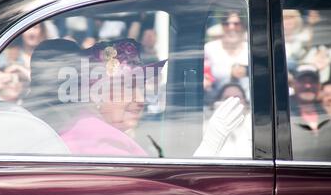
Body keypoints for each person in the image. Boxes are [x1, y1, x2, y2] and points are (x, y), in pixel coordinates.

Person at [27, 37, 246, 157]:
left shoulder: (93, 132)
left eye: (140, 86)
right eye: (128, 86)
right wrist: (210, 147)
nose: (141, 98)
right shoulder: (96, 141)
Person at [290, 65, 331, 161]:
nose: (308, 86)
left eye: (312, 81)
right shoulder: (283, 114)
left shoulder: (327, 114)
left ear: (319, 86)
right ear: (294, 84)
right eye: (303, 81)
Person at [195, 83, 252, 158]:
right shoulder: (205, 127)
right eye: (226, 98)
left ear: (245, 102)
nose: (232, 102)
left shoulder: (253, 126)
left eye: (237, 98)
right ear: (218, 103)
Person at [204, 10, 249, 99]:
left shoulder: (252, 49)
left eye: (236, 24)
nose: (231, 27)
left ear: (243, 26)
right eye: (226, 24)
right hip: (216, 104)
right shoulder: (209, 49)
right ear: (222, 26)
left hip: (249, 106)